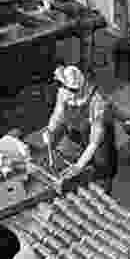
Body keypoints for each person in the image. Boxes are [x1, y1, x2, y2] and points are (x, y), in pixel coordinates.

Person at [42, 65, 118, 195]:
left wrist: (78, 166)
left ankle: (103, 195)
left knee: (101, 179)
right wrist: (50, 130)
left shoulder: (97, 102)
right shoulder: (63, 93)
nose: (69, 96)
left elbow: (94, 142)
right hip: (80, 139)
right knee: (77, 181)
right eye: (66, 91)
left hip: (100, 145)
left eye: (72, 92)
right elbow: (57, 115)